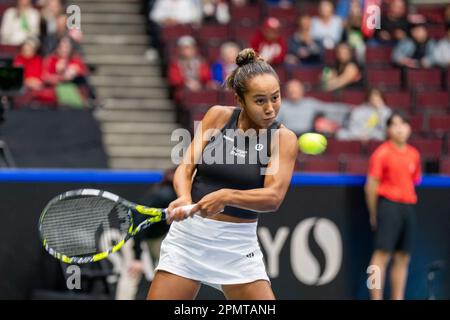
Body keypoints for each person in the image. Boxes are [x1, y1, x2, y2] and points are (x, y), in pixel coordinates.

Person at [147, 48, 298, 300]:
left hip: (237, 248)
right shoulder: (217, 116)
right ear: (240, 100)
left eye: (275, 97)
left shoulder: (283, 139)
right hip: (188, 240)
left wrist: (227, 196)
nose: (270, 108)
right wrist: (184, 197)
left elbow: (273, 197)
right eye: (260, 100)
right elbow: (185, 168)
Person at [365, 112, 422, 300]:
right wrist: (374, 214)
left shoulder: (414, 154)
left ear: (409, 128)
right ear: (388, 130)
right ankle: (376, 297)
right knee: (380, 256)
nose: (399, 128)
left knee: (403, 257)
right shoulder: (382, 153)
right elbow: (371, 185)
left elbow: (414, 181)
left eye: (403, 123)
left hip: (408, 207)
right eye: (394, 124)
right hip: (388, 207)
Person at [276, 79, 349, 135]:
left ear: (302, 90)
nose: (293, 92)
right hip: (287, 136)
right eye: (291, 90)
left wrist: (349, 108)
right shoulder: (281, 105)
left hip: (307, 135)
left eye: (296, 89)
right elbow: (273, 123)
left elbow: (329, 108)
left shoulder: (310, 103)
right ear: (286, 92)